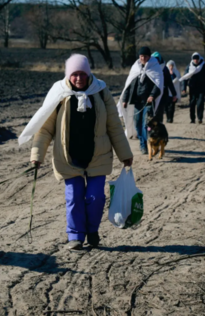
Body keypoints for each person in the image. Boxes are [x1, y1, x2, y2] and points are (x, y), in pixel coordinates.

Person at [21, 54, 133, 251]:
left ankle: (92, 231)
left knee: (96, 197)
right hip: (68, 157)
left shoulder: (100, 91)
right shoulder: (59, 93)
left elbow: (114, 125)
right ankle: (75, 236)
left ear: (89, 73)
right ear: (68, 75)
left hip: (97, 155)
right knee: (73, 198)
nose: (79, 78)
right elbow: (45, 128)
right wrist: (36, 155)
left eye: (82, 74)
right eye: (75, 74)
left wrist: (125, 154)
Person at [119, 46, 164, 155]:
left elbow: (158, 84)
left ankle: (145, 145)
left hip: (148, 102)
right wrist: (124, 99)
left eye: (145, 56)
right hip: (137, 101)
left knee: (145, 124)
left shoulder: (155, 67)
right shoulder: (135, 67)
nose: (142, 58)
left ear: (149, 57)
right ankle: (142, 140)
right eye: (141, 56)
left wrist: (152, 95)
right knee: (137, 124)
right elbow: (129, 84)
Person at [180, 52, 205, 123]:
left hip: (202, 87)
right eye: (194, 59)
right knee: (192, 103)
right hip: (192, 88)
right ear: (192, 59)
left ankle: (200, 118)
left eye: (197, 59)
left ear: (199, 59)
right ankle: (192, 119)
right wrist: (184, 88)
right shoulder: (189, 67)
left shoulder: (204, 66)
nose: (196, 60)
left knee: (200, 103)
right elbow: (185, 77)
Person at [151, 52, 178, 123]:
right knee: (151, 113)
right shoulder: (149, 68)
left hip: (162, 93)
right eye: (154, 59)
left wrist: (174, 94)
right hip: (151, 94)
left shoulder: (165, 69)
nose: (156, 61)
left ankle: (159, 128)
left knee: (159, 112)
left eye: (157, 59)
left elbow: (170, 82)